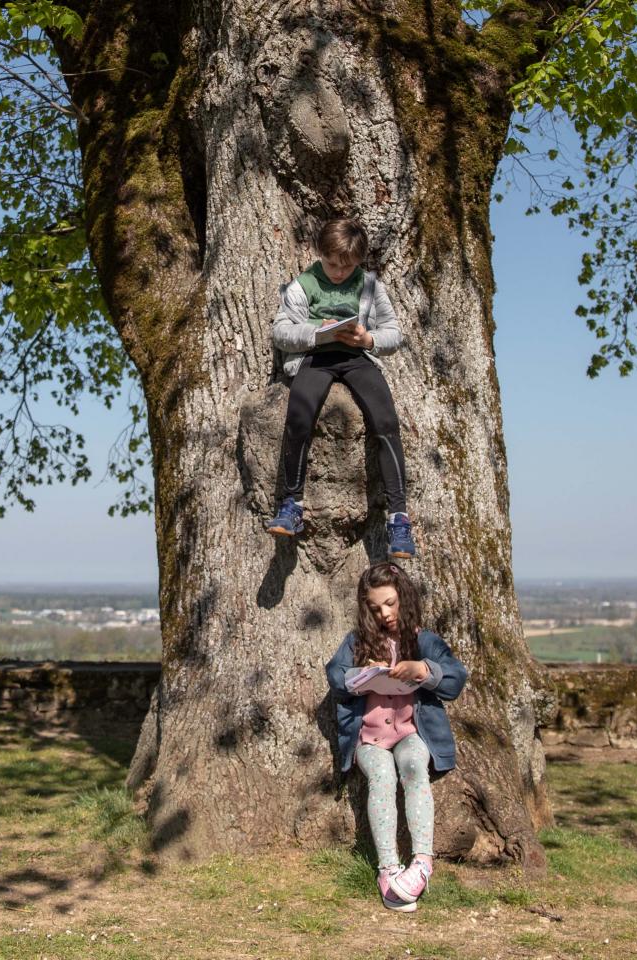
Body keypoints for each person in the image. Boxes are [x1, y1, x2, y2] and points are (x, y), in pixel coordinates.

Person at [266, 218, 416, 558]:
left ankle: (399, 518)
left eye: (346, 266)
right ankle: (292, 504)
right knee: (300, 417)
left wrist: (369, 338)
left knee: (386, 423)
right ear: (322, 254)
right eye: (332, 264)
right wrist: (318, 330)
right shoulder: (302, 285)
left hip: (357, 358)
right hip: (314, 358)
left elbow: (394, 332)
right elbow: (280, 332)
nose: (337, 271)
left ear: (359, 262)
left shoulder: (369, 286)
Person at [324, 562, 468, 911]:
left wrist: (424, 670)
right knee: (382, 775)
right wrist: (362, 675)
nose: (385, 613)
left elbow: (455, 678)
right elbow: (335, 674)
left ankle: (422, 862)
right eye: (375, 608)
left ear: (404, 597)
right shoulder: (356, 641)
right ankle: (387, 867)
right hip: (369, 738)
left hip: (409, 733)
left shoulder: (424, 640)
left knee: (415, 767)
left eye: (390, 603)